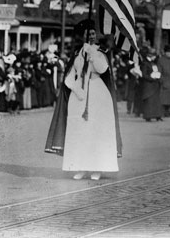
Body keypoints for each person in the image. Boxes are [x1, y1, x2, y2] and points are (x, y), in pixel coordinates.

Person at [45, 19, 122, 181]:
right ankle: (80, 166)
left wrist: (92, 54)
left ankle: (97, 167)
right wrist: (76, 89)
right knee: (79, 132)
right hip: (79, 96)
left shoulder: (101, 51)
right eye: (88, 34)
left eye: (93, 33)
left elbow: (103, 69)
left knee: (96, 131)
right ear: (83, 35)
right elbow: (69, 76)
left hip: (97, 93)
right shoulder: (77, 53)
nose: (92, 36)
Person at [139, 47, 163, 122]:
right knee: (149, 101)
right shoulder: (145, 63)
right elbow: (144, 75)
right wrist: (152, 78)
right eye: (154, 56)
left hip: (155, 84)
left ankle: (157, 115)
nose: (155, 57)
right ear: (150, 56)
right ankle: (148, 116)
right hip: (149, 85)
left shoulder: (153, 63)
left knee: (156, 101)